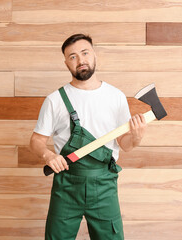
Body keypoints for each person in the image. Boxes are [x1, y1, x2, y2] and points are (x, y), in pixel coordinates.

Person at [29, 33, 147, 240]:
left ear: (94, 55)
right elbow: (36, 141)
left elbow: (125, 145)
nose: (80, 60)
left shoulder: (115, 97)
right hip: (66, 183)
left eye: (85, 53)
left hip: (104, 185)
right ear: (66, 63)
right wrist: (49, 156)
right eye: (72, 56)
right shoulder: (55, 100)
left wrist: (136, 137)